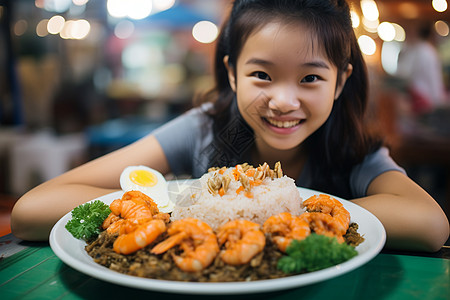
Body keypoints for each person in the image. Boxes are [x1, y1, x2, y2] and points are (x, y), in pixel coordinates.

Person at [11, 0, 449, 251]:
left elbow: (431, 225)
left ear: (341, 82)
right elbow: (32, 210)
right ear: (233, 74)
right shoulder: (203, 129)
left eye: (311, 78)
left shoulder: (354, 147)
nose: (283, 100)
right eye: (262, 75)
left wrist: (283, 213)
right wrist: (177, 207)